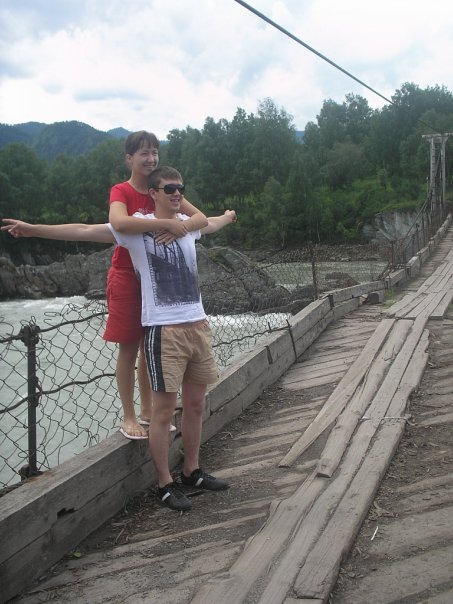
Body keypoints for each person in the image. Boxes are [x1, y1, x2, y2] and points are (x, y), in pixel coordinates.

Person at [3, 167, 236, 511]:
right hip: (163, 331)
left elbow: (212, 222)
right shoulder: (137, 229)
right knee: (162, 411)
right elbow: (85, 230)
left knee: (196, 404)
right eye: (169, 188)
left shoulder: (188, 226)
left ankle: (192, 471)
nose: (177, 193)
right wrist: (34, 229)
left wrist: (228, 216)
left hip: (197, 326)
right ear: (153, 193)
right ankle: (165, 484)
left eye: (181, 188)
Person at [106, 131, 208, 440]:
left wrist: (182, 227)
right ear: (129, 159)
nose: (151, 159)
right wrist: (166, 224)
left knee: (150, 346)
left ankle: (148, 409)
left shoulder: (164, 186)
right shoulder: (122, 190)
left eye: (154, 152)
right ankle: (129, 415)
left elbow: (200, 218)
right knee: (129, 345)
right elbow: (119, 223)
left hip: (157, 275)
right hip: (128, 274)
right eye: (144, 153)